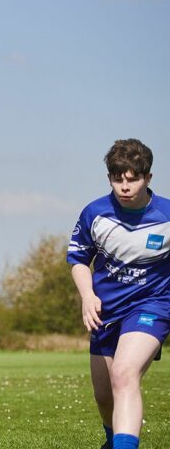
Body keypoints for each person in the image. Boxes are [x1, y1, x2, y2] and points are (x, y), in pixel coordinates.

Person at [67, 138, 170, 449]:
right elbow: (78, 260)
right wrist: (88, 296)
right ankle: (113, 442)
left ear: (147, 178)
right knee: (104, 395)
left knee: (125, 375)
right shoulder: (95, 213)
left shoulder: (167, 216)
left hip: (152, 306)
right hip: (105, 312)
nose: (125, 187)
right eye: (117, 179)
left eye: (133, 179)